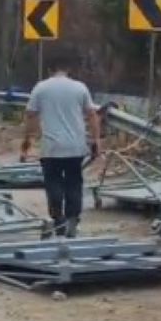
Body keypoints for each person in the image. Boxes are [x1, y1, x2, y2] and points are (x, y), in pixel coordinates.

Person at [21, 52, 102, 238]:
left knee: (53, 183)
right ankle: (73, 219)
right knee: (74, 183)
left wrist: (27, 140)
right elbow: (92, 115)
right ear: (69, 69)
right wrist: (96, 140)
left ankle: (58, 220)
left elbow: (31, 116)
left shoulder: (41, 88)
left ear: (49, 69)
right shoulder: (80, 88)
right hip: (75, 146)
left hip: (51, 147)